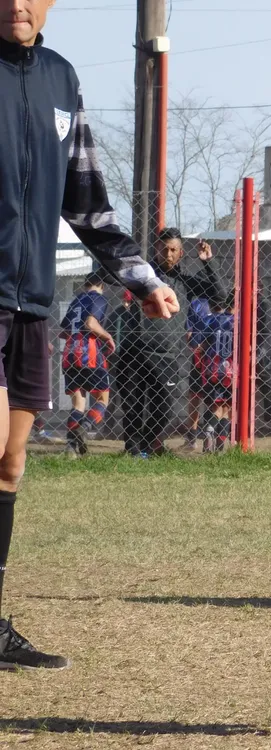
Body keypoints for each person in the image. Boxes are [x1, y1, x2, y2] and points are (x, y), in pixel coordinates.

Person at [0, 0, 179, 670]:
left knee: (11, 464)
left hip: (31, 302)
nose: (16, 2)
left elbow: (87, 203)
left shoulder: (60, 78)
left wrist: (141, 277)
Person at [117, 230, 221, 457]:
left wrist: (208, 262)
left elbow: (220, 295)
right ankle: (133, 452)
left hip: (167, 355)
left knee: (164, 407)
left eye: (173, 249)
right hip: (135, 350)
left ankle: (145, 445)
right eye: (164, 248)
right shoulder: (144, 276)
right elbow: (116, 275)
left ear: (181, 253)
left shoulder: (184, 281)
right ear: (157, 249)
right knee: (133, 405)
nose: (168, 254)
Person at [59, 273, 114, 456]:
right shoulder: (98, 298)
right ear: (102, 285)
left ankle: (71, 448)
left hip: (70, 354)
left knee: (78, 403)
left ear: (84, 285)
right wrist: (108, 336)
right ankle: (84, 428)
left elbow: (64, 331)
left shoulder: (76, 301)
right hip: (89, 353)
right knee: (102, 399)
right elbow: (91, 324)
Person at [191, 292, 236, 454]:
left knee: (214, 405)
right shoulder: (238, 322)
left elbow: (196, 344)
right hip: (231, 372)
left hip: (211, 370)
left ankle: (209, 430)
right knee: (227, 408)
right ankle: (219, 446)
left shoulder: (209, 320)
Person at [182, 296, 211, 451]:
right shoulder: (222, 300)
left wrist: (196, 347)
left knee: (194, 395)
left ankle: (191, 439)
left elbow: (189, 333)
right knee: (215, 397)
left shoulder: (196, 303)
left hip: (199, 357)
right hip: (220, 357)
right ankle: (209, 437)